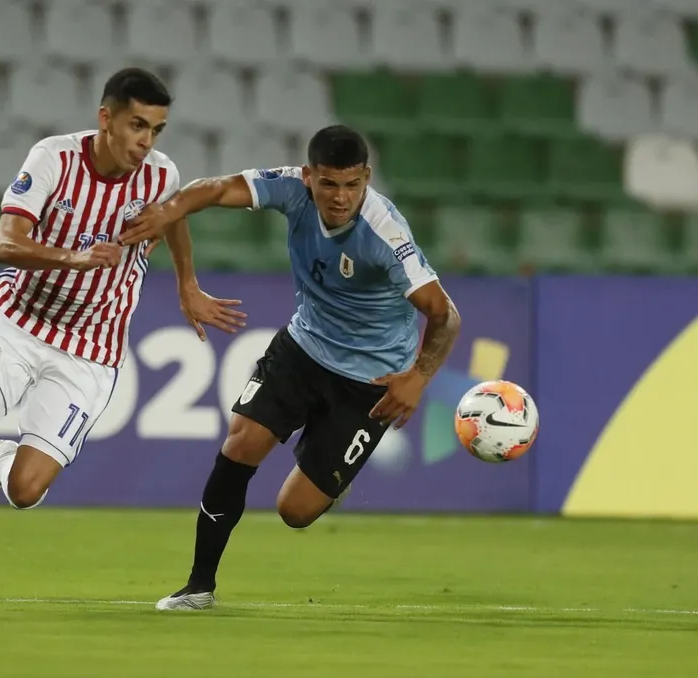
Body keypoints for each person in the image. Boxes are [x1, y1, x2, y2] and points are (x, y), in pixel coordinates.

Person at [0, 67, 247, 609]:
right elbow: (4, 243)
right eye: (137, 125)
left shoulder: (159, 175)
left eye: (156, 130)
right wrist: (75, 257)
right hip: (15, 325)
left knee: (26, 490)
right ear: (105, 118)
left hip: (90, 350)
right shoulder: (53, 159)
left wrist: (187, 285)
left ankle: (2, 466)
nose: (146, 141)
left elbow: (172, 217)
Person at [119, 124, 462, 611]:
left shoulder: (385, 233)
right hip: (304, 347)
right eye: (328, 184)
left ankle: (334, 453)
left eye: (351, 185)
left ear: (366, 177)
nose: (340, 198)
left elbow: (445, 314)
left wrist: (420, 376)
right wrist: (172, 231)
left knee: (295, 511)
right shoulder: (290, 189)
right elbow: (212, 189)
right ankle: (198, 586)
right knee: (241, 443)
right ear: (308, 177)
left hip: (371, 381)